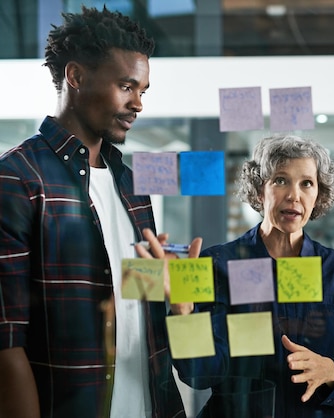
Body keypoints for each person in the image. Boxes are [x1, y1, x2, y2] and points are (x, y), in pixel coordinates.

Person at [0, 6, 187, 417]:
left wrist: (179, 296)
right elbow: (6, 341)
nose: (138, 103)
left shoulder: (133, 185)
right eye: (126, 86)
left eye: (143, 90)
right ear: (76, 77)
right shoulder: (15, 179)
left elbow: (145, 303)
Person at [159, 134, 334, 418]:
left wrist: (332, 370)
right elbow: (200, 376)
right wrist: (183, 313)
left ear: (319, 195)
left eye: (306, 183)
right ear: (259, 189)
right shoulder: (217, 264)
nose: (294, 195)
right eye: (280, 180)